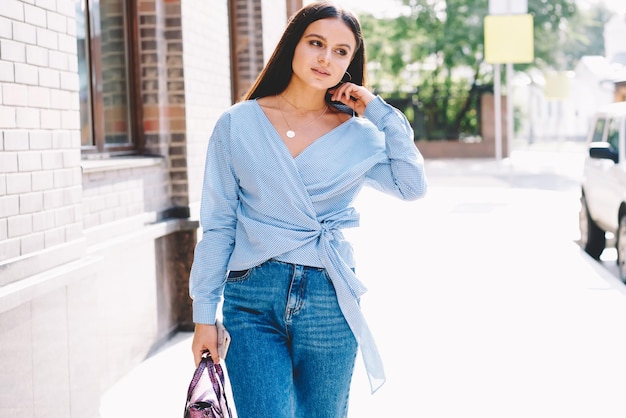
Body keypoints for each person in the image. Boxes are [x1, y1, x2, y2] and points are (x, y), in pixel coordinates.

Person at [189, 2, 427, 417]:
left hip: (328, 296)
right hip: (252, 297)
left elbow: (412, 186)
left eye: (340, 51)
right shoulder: (238, 123)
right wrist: (204, 315)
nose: (325, 58)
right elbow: (219, 224)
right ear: (292, 46)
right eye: (316, 43)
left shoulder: (362, 135)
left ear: (351, 63)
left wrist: (380, 112)